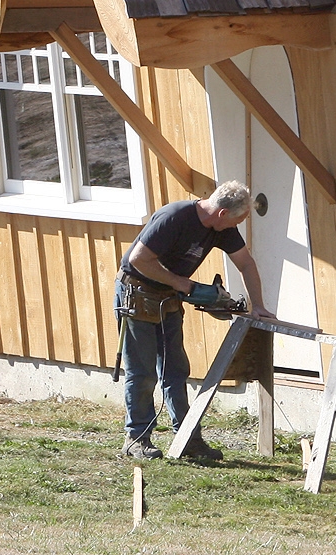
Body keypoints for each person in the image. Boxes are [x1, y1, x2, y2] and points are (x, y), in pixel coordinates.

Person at [116, 180, 275, 460]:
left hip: (168, 297)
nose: (236, 227)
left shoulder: (222, 229)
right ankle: (136, 438)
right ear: (222, 213)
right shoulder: (174, 217)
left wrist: (258, 305)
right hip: (137, 293)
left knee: (175, 369)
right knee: (142, 372)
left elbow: (246, 263)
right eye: (238, 220)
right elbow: (139, 259)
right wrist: (181, 283)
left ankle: (188, 437)